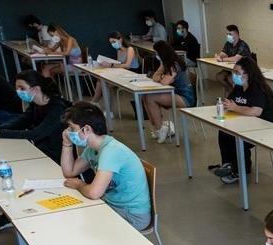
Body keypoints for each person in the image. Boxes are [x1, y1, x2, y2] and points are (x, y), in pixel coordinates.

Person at [60, 102, 153, 230]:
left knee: (80, 228)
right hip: (113, 205)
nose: (67, 132)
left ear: (86, 129)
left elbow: (94, 193)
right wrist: (66, 143)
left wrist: (78, 184)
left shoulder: (111, 151)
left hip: (132, 215)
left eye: (71, 129)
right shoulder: (93, 148)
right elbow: (69, 172)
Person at [209, 57, 273, 185]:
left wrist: (235, 107)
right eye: (233, 72)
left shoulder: (257, 89)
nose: (234, 75)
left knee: (237, 138)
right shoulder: (238, 87)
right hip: (249, 123)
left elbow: (256, 111)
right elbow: (231, 102)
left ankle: (240, 170)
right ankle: (228, 164)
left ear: (248, 74)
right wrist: (228, 105)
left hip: (267, 128)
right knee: (224, 132)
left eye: (237, 73)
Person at [0, 70, 68, 163]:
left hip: (55, 158)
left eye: (22, 88)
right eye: (17, 88)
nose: (18, 91)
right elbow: (23, 120)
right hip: (40, 150)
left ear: (36, 89)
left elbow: (36, 134)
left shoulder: (57, 109)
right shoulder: (36, 103)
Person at [143, 41, 194, 143]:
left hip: (185, 97)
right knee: (144, 96)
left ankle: (160, 129)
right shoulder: (166, 63)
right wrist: (162, 73)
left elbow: (164, 81)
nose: (156, 55)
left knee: (150, 98)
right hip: (174, 93)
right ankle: (159, 127)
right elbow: (155, 77)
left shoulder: (175, 64)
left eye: (157, 53)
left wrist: (162, 77)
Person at [89, 33, 141, 106]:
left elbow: (127, 65)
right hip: (123, 72)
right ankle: (96, 102)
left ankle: (99, 104)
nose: (112, 44)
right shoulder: (119, 51)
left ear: (120, 39)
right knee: (100, 80)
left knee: (105, 84)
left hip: (132, 73)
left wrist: (111, 65)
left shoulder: (130, 49)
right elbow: (118, 64)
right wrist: (107, 65)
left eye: (114, 42)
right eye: (111, 43)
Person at [213, 24, 252, 89]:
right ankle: (231, 92)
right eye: (227, 34)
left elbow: (236, 59)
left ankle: (235, 94)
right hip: (231, 68)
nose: (228, 36)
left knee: (230, 78)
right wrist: (219, 56)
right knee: (219, 77)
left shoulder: (242, 45)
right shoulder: (228, 43)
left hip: (244, 70)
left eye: (230, 34)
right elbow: (223, 53)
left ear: (236, 35)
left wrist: (222, 59)